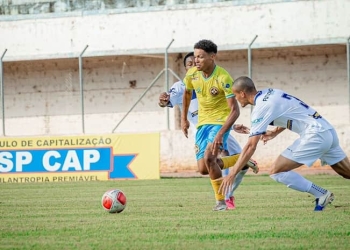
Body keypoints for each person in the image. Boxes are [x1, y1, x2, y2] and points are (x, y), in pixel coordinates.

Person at [219, 76, 350, 211]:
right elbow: (290, 111)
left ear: (243, 94)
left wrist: (232, 173)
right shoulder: (271, 92)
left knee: (276, 171)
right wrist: (274, 132)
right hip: (327, 130)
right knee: (347, 172)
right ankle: (322, 194)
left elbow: (250, 146)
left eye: (235, 95)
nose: (235, 99)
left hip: (315, 135)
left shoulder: (260, 108)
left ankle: (322, 194)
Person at [159, 52, 258, 210]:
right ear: (185, 69)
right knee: (206, 167)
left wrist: (232, 126)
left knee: (227, 163)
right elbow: (165, 102)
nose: (194, 66)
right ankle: (242, 162)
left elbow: (221, 109)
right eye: (190, 64)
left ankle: (225, 197)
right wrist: (163, 101)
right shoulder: (180, 88)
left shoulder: (212, 81)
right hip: (200, 130)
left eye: (196, 62)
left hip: (219, 126)